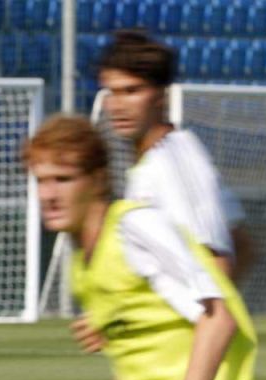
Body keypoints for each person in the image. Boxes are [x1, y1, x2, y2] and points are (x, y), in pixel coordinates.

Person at [24, 115, 260, 380]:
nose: (48, 195)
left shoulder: (135, 227)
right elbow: (131, 371)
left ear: (98, 180)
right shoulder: (83, 265)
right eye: (41, 181)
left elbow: (217, 320)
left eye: (63, 179)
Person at [98, 30, 253, 284]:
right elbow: (242, 244)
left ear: (161, 96)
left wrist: (198, 309)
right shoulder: (155, 160)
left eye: (131, 91)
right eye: (111, 92)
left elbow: (216, 264)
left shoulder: (172, 164)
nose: (117, 105)